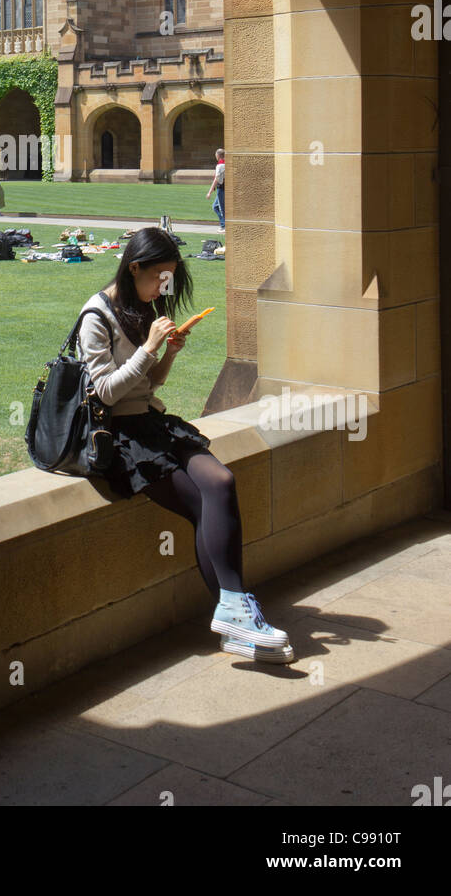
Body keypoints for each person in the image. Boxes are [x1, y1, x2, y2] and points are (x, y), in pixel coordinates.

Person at [74, 227, 291, 662]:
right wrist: (149, 348)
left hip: (152, 424)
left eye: (169, 278)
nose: (164, 287)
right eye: (160, 277)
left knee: (221, 482)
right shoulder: (96, 317)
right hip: (121, 437)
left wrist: (167, 353)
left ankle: (233, 612)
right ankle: (237, 618)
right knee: (203, 504)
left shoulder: (141, 306)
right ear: (134, 267)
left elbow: (149, 384)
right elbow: (107, 393)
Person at [206, 147, 225, 230]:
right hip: (223, 188)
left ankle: (225, 226)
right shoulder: (226, 164)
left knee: (222, 208)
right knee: (215, 206)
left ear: (218, 156)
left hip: (221, 189)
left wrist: (210, 192)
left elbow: (216, 179)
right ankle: (223, 224)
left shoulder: (220, 166)